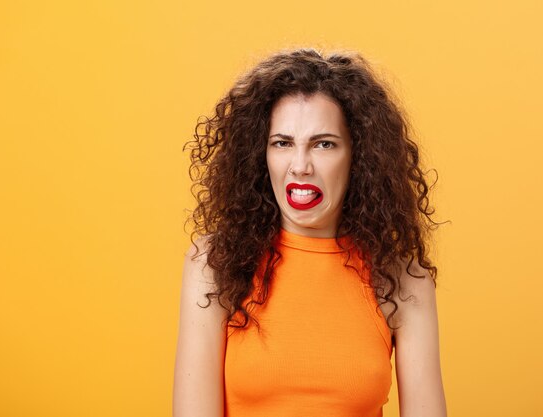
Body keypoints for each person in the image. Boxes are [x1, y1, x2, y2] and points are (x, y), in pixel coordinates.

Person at [173, 48, 447, 417]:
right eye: (282, 143)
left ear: (358, 156)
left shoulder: (402, 281)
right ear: (261, 154)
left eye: (324, 144)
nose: (300, 166)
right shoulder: (215, 265)